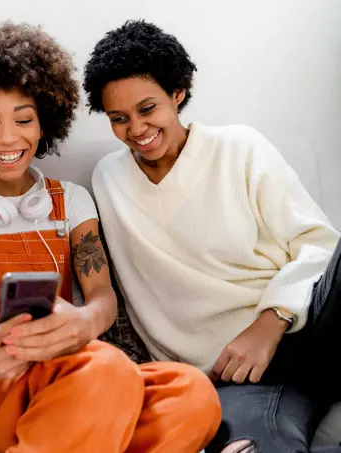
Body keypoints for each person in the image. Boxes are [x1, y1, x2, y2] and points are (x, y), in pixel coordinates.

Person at [0, 21, 221, 453]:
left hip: (69, 368)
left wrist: (83, 323)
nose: (7, 137)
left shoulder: (72, 202)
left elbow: (102, 297)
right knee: (108, 371)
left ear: (44, 125)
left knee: (192, 391)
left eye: (23, 119)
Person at [84, 19, 341, 453]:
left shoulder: (239, 148)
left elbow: (319, 242)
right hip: (233, 378)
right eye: (119, 119)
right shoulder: (107, 180)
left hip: (309, 328)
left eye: (148, 109)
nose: (137, 130)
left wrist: (271, 319)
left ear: (177, 94)